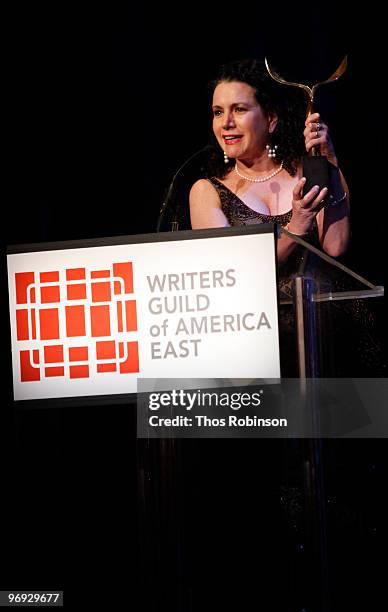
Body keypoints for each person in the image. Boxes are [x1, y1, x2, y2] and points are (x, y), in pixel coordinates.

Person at [189, 58, 350, 264]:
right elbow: (229, 273)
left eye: (239, 109)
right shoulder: (207, 192)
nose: (226, 123)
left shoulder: (309, 173)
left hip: (322, 296)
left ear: (271, 119)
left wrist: (330, 161)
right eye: (218, 112)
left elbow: (336, 246)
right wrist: (296, 226)